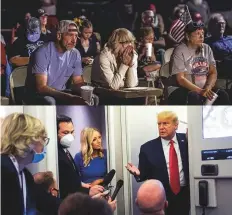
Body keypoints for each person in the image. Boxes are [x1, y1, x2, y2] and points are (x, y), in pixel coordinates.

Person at [126, 111, 190, 215]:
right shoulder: (147, 148)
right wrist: (138, 174)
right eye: (159, 124)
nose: (161, 127)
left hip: (185, 195)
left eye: (165, 123)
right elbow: (143, 175)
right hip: (161, 198)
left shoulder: (187, 140)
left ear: (176, 125)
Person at [1, 113, 61, 215]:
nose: (43, 144)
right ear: (26, 139)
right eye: (42, 138)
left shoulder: (24, 174)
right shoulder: (3, 169)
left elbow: (45, 203)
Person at [24, 20, 87, 105]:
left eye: (76, 36)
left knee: (91, 98)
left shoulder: (75, 53)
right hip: (39, 95)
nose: (74, 40)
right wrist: (67, 96)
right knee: (50, 101)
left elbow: (78, 81)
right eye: (70, 35)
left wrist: (88, 91)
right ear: (59, 35)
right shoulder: (42, 52)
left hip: (61, 92)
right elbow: (41, 88)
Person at [169, 21, 231, 105]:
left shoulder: (206, 48)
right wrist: (200, 91)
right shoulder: (180, 50)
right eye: (197, 33)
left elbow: (213, 72)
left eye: (202, 33)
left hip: (205, 89)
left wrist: (208, 88)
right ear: (187, 36)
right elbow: (180, 79)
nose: (202, 36)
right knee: (194, 96)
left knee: (222, 95)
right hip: (186, 90)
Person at [56, 115, 105, 199]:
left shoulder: (66, 151)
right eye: (65, 133)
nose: (70, 136)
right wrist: (88, 189)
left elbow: (73, 179)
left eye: (72, 132)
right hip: (76, 199)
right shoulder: (59, 155)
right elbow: (67, 184)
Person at [205, 13, 232, 79]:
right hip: (223, 68)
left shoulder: (230, 38)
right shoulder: (208, 42)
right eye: (218, 23)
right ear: (211, 26)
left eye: (223, 23)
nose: (221, 25)